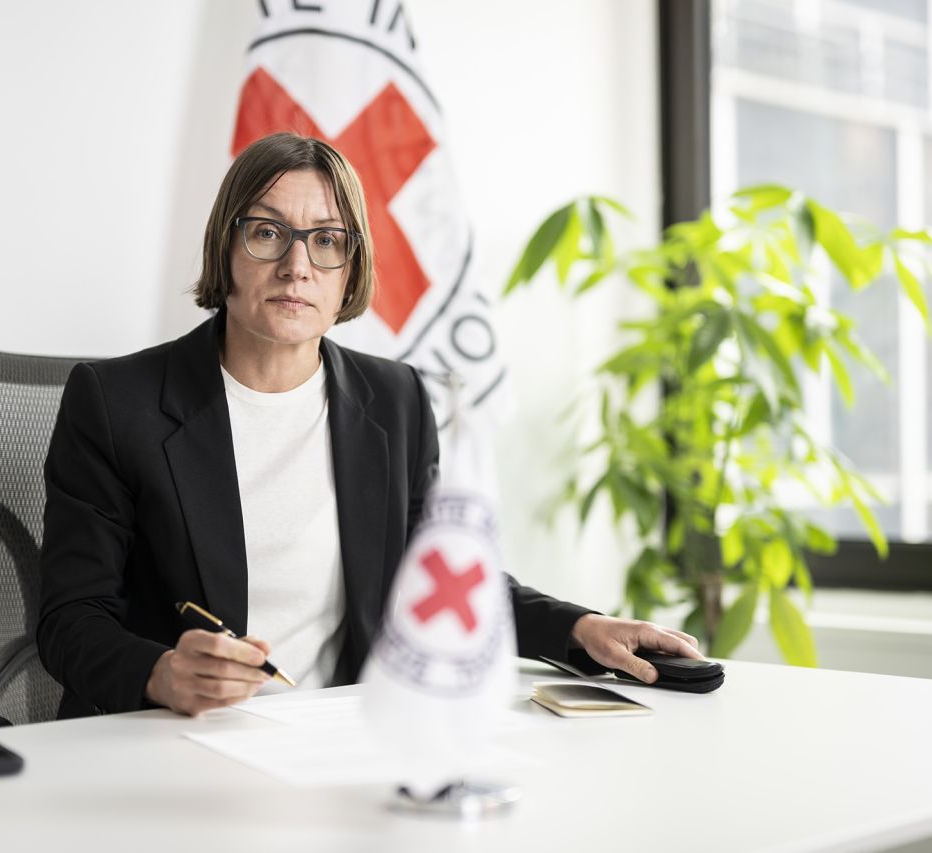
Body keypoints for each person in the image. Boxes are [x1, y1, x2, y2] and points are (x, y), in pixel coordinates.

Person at [37, 132, 701, 719]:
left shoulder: (395, 400)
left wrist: (580, 627)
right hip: (175, 741)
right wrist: (164, 674)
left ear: (350, 268)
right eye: (268, 233)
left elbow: (441, 579)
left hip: (340, 740)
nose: (297, 266)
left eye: (327, 241)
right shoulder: (113, 401)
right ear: (227, 248)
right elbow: (71, 617)